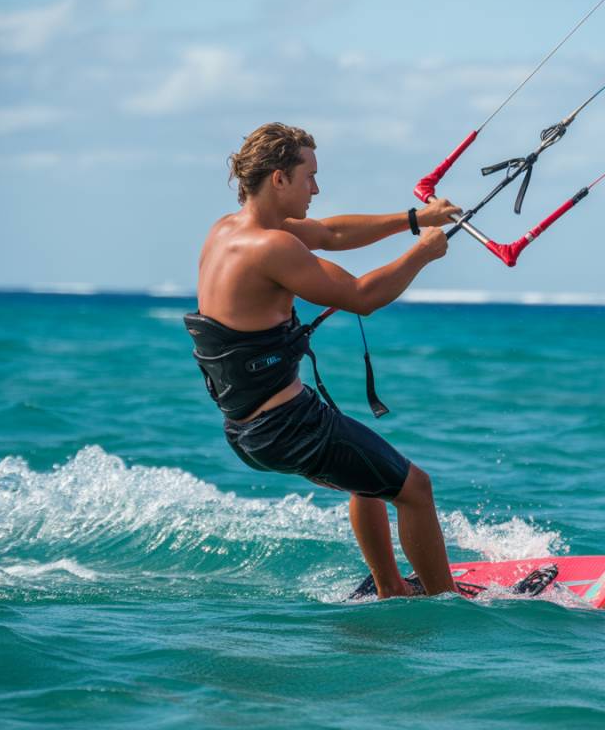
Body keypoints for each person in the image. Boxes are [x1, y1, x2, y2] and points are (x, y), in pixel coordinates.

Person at [184, 122, 461, 598]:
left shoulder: (228, 231)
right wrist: (423, 253)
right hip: (288, 426)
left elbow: (331, 232)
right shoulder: (271, 247)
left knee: (368, 478)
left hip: (247, 429)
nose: (316, 188)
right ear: (279, 179)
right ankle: (447, 604)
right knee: (415, 489)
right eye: (309, 176)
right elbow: (361, 296)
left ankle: (392, 588)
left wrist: (415, 218)